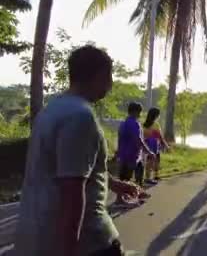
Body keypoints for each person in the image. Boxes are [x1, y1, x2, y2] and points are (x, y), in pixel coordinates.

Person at [14, 46, 140, 256]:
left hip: (40, 237)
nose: (111, 84)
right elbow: (72, 193)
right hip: (89, 243)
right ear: (100, 75)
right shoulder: (81, 117)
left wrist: (116, 184)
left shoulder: (51, 110)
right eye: (110, 76)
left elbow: (73, 167)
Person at [117, 102, 153, 188]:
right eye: (140, 112)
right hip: (133, 155)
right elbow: (138, 140)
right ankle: (133, 195)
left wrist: (118, 152)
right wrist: (149, 151)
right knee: (134, 178)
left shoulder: (123, 123)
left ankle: (121, 197)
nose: (140, 114)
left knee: (123, 178)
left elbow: (119, 139)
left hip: (123, 154)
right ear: (135, 112)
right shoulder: (135, 124)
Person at [143, 108, 170, 184]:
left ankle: (150, 176)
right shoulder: (156, 125)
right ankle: (150, 178)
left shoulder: (144, 124)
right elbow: (160, 137)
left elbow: (143, 136)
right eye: (158, 115)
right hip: (154, 145)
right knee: (155, 161)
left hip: (147, 145)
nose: (159, 116)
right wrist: (166, 145)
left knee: (149, 161)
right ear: (155, 116)